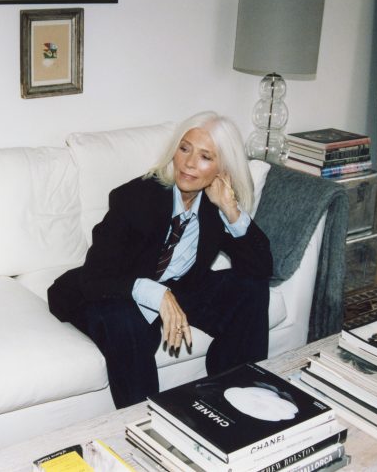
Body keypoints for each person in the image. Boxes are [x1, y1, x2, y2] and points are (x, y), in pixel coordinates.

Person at [47, 111, 273, 409]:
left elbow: (260, 269)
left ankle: (237, 395)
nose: (189, 163)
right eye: (184, 149)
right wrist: (157, 294)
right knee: (126, 322)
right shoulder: (135, 198)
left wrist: (231, 210)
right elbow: (95, 279)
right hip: (113, 292)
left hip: (180, 286)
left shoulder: (215, 204)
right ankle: (144, 419)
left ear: (223, 169)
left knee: (250, 289)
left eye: (205, 156)